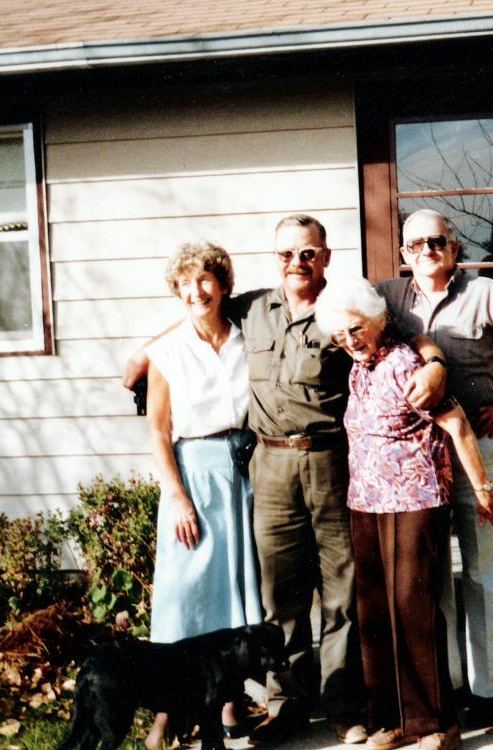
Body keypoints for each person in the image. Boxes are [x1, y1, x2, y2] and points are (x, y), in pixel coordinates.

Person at [124, 215, 448, 746]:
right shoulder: (251, 307)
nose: (297, 262)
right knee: (282, 594)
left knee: (343, 590)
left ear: (325, 255)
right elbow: (194, 308)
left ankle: (346, 707)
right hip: (269, 466)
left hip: (332, 462)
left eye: (308, 253)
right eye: (286, 254)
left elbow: (405, 334)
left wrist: (433, 364)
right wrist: (143, 353)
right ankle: (288, 703)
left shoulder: (344, 303)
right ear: (275, 260)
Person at [377, 208, 493, 725]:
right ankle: (447, 684)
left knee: (485, 570)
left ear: (454, 248)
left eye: (437, 241)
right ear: (404, 253)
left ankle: (492, 691)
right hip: (416, 459)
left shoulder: (485, 294)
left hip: (479, 450)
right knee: (431, 575)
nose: (427, 251)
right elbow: (342, 318)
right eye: (416, 244)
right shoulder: (390, 298)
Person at [314, 278, 493, 750]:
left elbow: (456, 422)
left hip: (416, 500)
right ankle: (392, 720)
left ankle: (436, 724)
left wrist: (483, 488)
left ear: (378, 320)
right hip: (367, 502)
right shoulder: (357, 367)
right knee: (376, 612)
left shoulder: (405, 363)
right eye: (340, 335)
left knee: (413, 608)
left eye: (356, 329)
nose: (349, 341)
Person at [143, 241, 262, 749]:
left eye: (206, 279)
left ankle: (231, 702)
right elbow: (157, 429)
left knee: (237, 589)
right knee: (183, 592)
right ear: (177, 290)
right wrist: (178, 498)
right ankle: (166, 713)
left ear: (224, 285)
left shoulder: (248, 339)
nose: (197, 291)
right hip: (195, 475)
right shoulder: (167, 351)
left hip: (248, 469)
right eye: (186, 283)